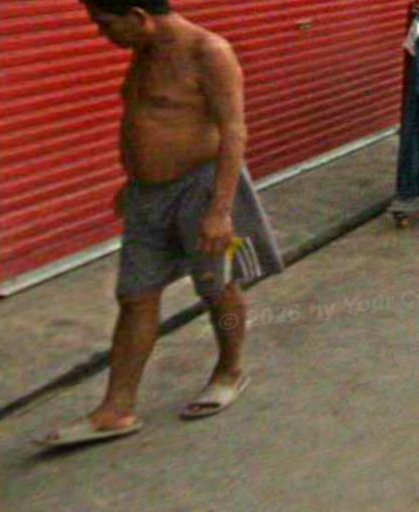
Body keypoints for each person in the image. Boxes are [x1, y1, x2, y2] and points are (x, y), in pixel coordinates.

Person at [38, 0, 283, 447]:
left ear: (138, 17)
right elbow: (148, 118)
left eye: (105, 24)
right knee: (135, 295)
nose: (101, 34)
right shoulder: (145, 49)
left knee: (217, 287)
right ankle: (117, 408)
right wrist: (136, 176)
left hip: (201, 191)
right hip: (146, 196)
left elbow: (234, 131)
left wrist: (220, 210)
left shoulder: (209, 52)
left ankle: (228, 371)